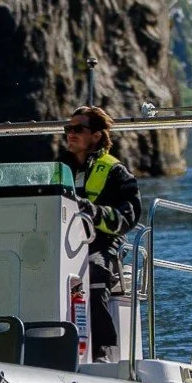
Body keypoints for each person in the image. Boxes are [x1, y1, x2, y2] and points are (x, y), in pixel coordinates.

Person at [59, 106, 140, 361]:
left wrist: (92, 211)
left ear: (95, 135)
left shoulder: (116, 172)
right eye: (68, 129)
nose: (70, 134)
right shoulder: (58, 168)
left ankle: (102, 351)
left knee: (92, 273)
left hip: (100, 245)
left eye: (77, 129)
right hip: (60, 241)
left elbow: (127, 218)